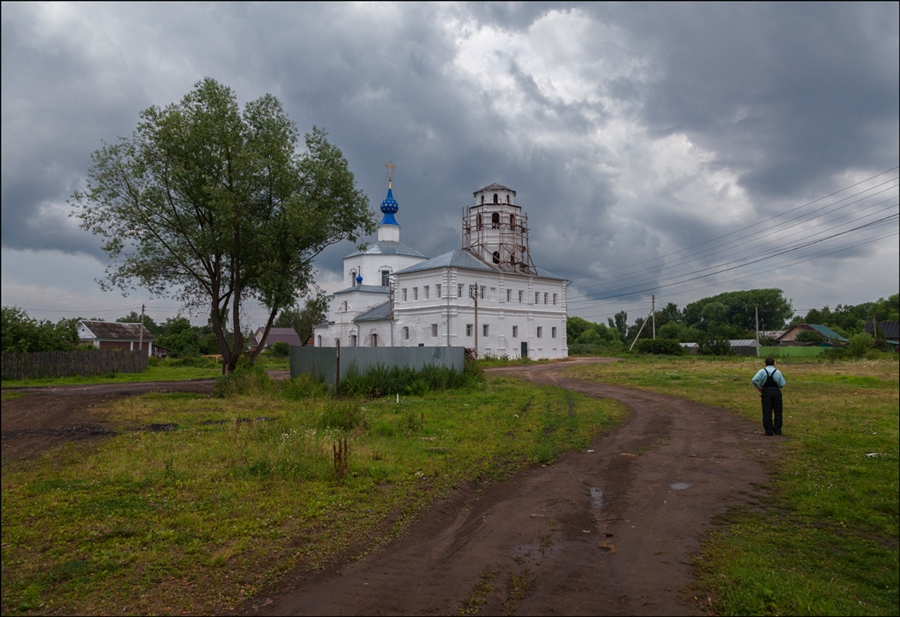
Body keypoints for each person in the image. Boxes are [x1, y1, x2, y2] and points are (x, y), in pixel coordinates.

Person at [751, 357, 786, 436]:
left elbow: (754, 380)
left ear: (765, 363)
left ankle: (768, 430)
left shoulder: (762, 371)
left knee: (767, 411)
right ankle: (777, 430)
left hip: (766, 392)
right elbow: (782, 384)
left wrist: (759, 387)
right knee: (778, 411)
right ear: (774, 363)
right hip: (776, 392)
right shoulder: (777, 372)